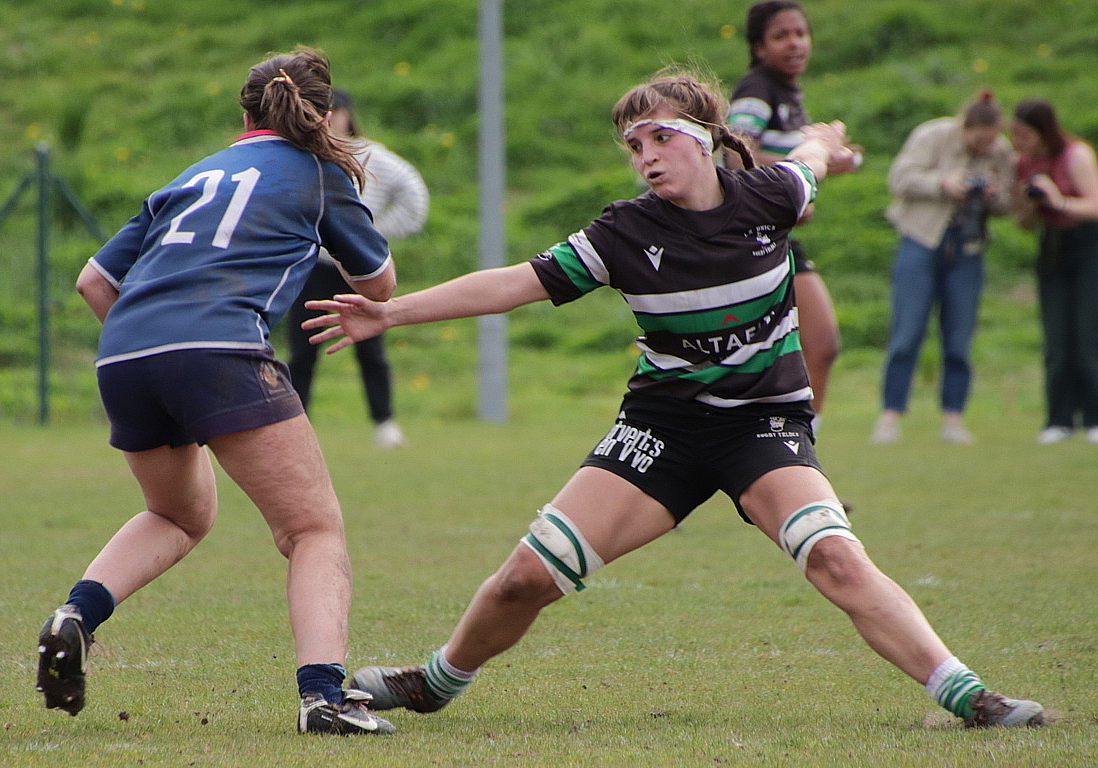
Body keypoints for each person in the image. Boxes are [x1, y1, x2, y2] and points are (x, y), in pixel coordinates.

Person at [302, 69, 1045, 730]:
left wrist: (828, 144)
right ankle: (436, 682)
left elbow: (809, 161)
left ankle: (969, 696)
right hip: (660, 429)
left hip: (762, 426)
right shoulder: (623, 232)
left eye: (659, 136)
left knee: (835, 558)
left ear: (704, 137)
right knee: (524, 579)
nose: (646, 155)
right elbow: (513, 283)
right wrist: (389, 312)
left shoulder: (772, 196)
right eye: (634, 145)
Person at [37, 46, 397, 736]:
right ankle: (323, 699)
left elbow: (93, 281)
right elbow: (378, 284)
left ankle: (76, 614)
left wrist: (163, 353)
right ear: (322, 114)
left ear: (246, 112)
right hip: (220, 349)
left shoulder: (194, 173)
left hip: (125, 353)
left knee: (178, 515)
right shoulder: (320, 172)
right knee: (312, 529)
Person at [727, 0, 850, 427]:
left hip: (776, 236)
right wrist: (786, 192)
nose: (795, 43)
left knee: (819, 346)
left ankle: (796, 449)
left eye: (801, 33)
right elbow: (735, 152)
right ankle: (787, 450)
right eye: (781, 36)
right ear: (758, 47)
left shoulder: (786, 92)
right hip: (753, 238)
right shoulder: (757, 89)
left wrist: (830, 160)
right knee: (817, 344)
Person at [285, 89, 429, 449]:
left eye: (335, 111)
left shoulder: (371, 156)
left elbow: (413, 195)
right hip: (313, 265)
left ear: (348, 114)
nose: (330, 119)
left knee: (371, 348)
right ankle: (295, 423)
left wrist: (369, 235)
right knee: (302, 349)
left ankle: (385, 422)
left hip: (360, 269)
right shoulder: (304, 155)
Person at [870, 92, 1015, 445]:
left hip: (968, 248)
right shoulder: (932, 135)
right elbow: (899, 177)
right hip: (920, 241)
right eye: (979, 141)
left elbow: (1009, 203)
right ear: (965, 127)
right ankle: (890, 416)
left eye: (991, 140)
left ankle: (954, 418)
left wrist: (994, 195)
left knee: (959, 337)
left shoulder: (1000, 151)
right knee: (907, 332)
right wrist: (943, 183)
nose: (986, 147)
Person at [1010, 98, 1098, 444]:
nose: (1018, 142)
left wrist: (1058, 199)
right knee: (1056, 339)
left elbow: (1095, 206)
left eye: (1024, 135)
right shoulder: (1022, 163)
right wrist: (1029, 203)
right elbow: (1023, 224)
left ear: (1043, 131)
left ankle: (1093, 416)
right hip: (1052, 249)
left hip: (1087, 246)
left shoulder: (1076, 155)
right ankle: (1058, 419)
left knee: (1087, 336)